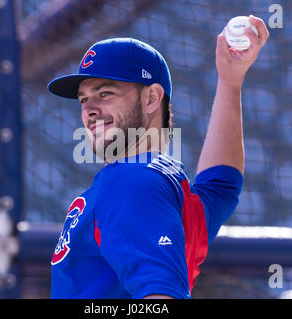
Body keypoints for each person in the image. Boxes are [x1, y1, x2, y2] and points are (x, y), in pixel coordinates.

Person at [47, 15, 269, 299]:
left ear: (152, 98)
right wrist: (230, 80)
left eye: (105, 93)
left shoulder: (131, 180)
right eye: (84, 99)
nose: (89, 109)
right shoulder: (167, 189)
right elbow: (221, 187)